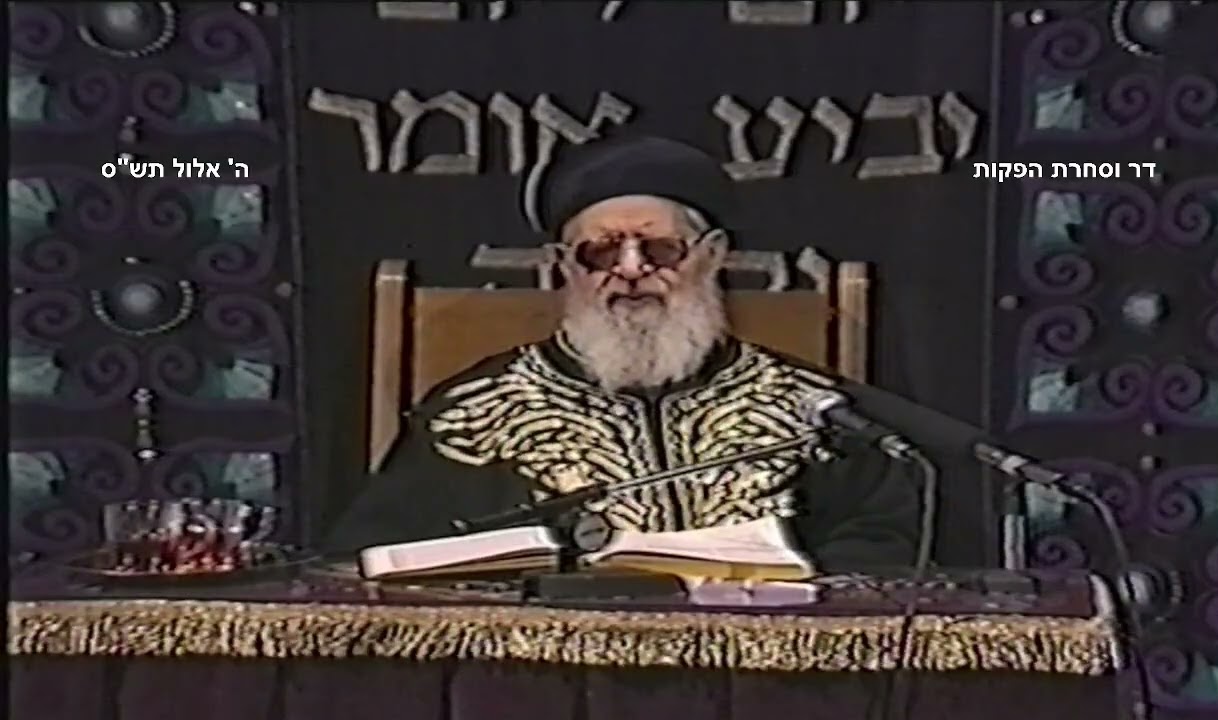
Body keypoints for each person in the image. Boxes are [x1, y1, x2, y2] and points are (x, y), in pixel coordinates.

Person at [326, 135, 919, 572]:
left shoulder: (813, 409)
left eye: (660, 249)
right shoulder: (472, 413)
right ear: (563, 266)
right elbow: (380, 561)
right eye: (602, 253)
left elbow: (886, 546)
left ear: (712, 256)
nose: (631, 270)